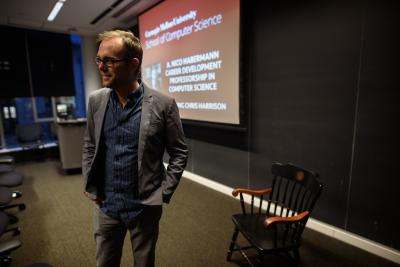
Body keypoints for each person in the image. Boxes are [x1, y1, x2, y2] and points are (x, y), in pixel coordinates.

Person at [82, 29, 188, 267]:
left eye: (109, 60)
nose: (101, 66)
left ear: (133, 64)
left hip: (144, 208)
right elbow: (90, 144)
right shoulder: (96, 101)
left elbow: (180, 152)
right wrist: (88, 181)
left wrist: (164, 192)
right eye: (99, 59)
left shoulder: (163, 105)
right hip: (106, 205)